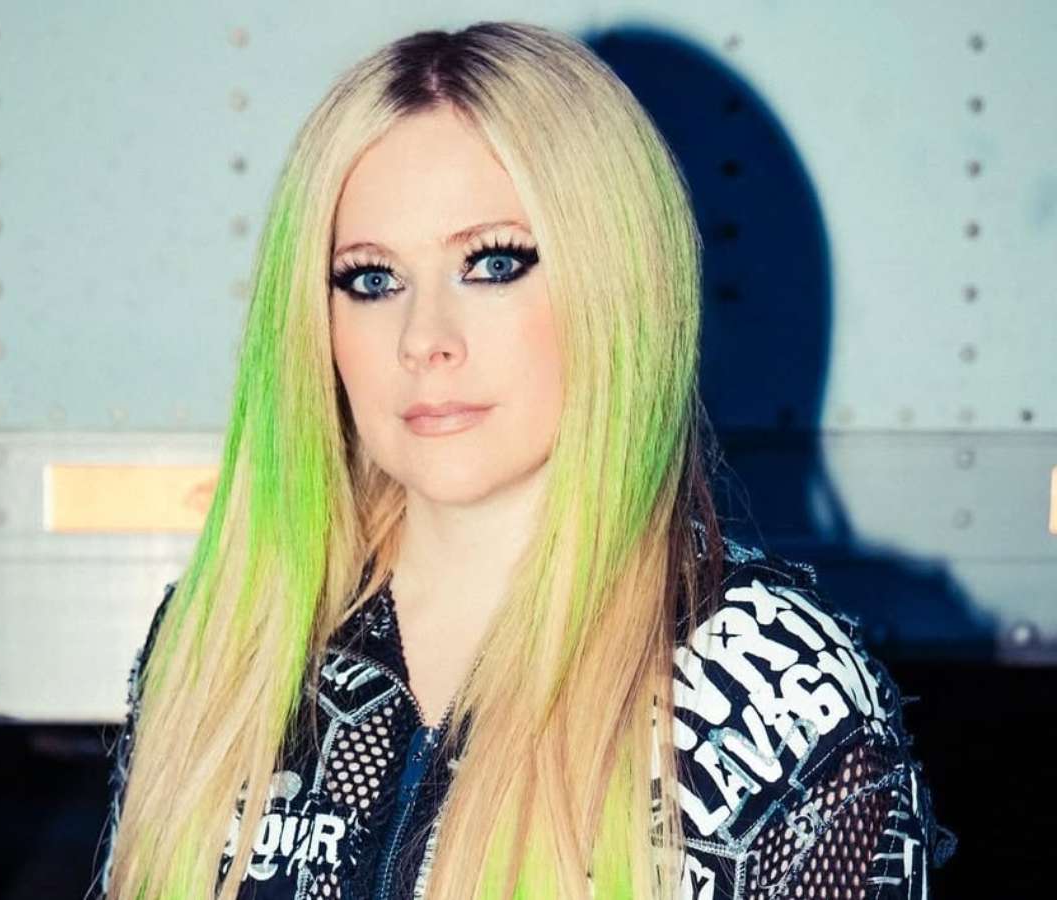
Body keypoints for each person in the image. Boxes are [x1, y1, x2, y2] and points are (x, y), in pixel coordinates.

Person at [92, 20, 957, 900]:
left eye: (493, 263)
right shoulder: (223, 642)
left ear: (614, 283)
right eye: (372, 279)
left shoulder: (767, 690)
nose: (424, 339)